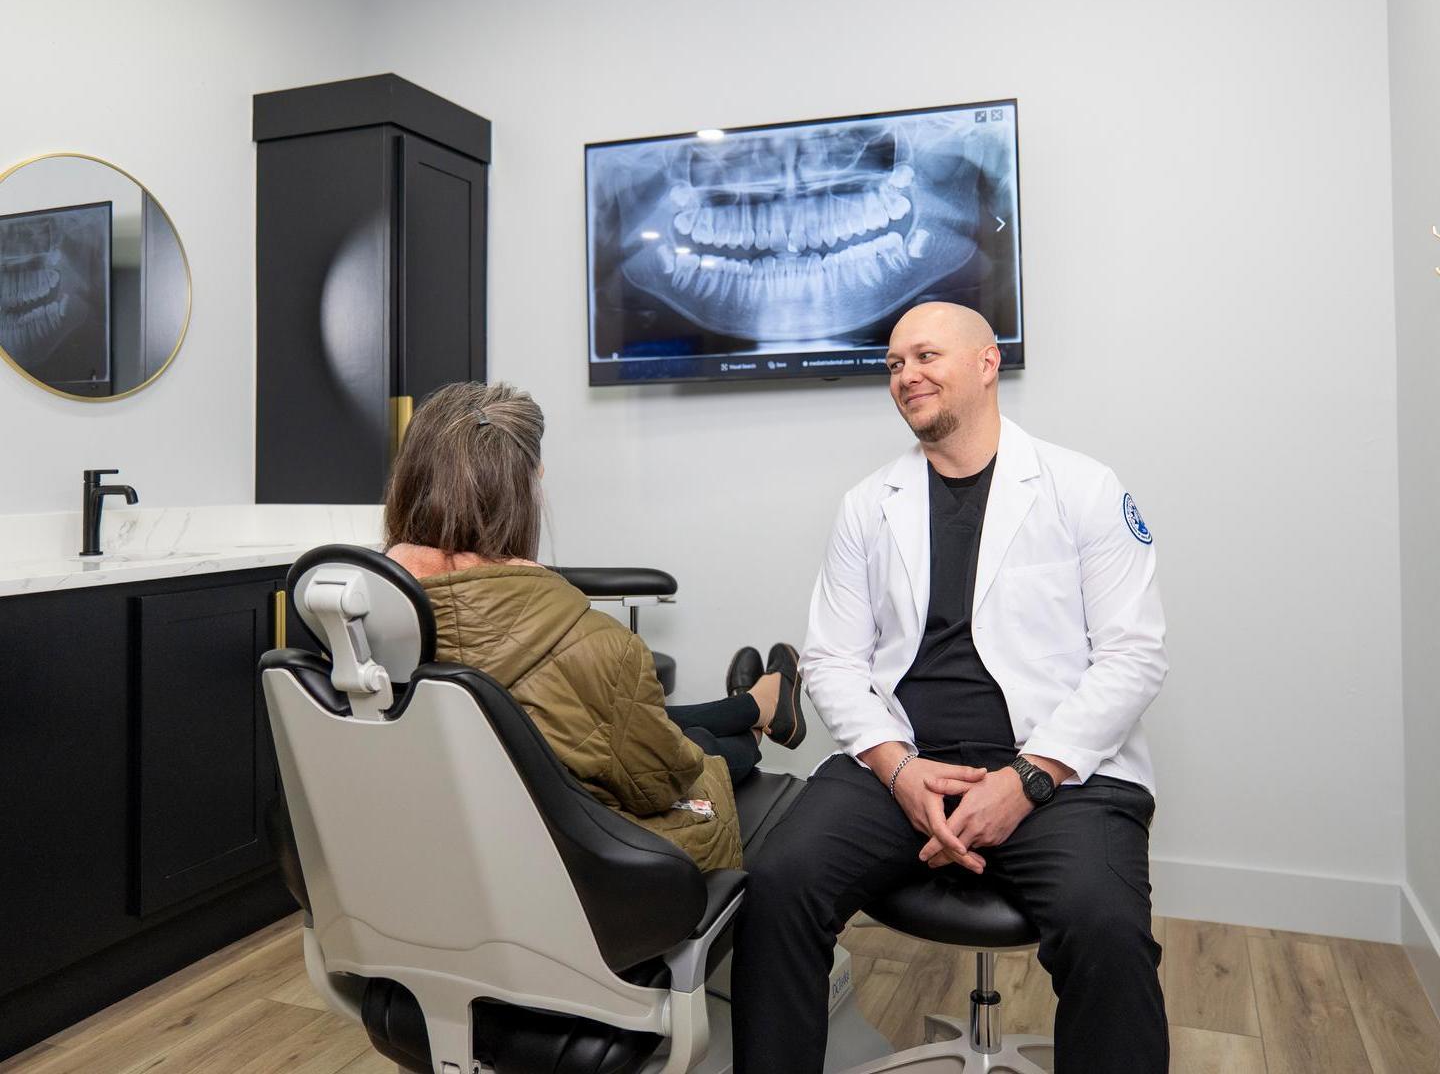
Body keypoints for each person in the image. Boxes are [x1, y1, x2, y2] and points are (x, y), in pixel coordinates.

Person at [731, 302, 1169, 1072]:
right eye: (895, 364)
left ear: (987, 362)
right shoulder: (869, 506)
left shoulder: (1083, 487)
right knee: (781, 880)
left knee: (1103, 925)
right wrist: (897, 767)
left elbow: (1134, 656)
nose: (906, 376)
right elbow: (831, 659)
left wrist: (1028, 778)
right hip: (907, 761)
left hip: (1060, 771)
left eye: (926, 356)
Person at [382, 381, 806, 872]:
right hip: (576, 865)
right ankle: (757, 717)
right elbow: (660, 783)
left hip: (433, 853)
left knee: (639, 717)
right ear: (525, 491)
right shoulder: (597, 646)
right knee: (699, 751)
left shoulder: (364, 624)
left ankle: (755, 703)